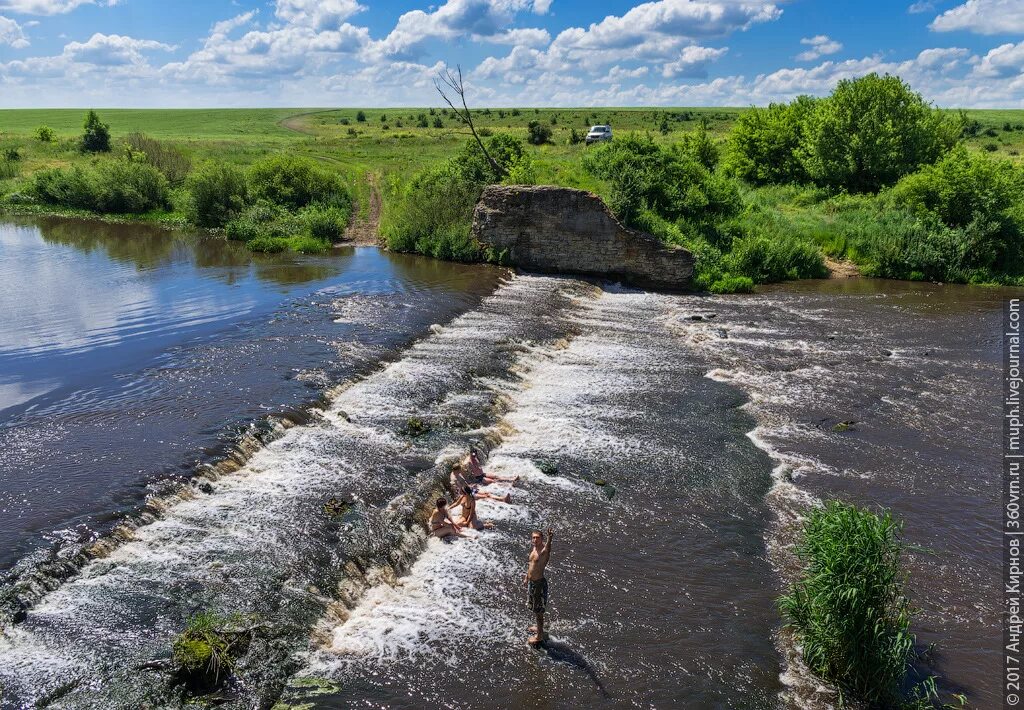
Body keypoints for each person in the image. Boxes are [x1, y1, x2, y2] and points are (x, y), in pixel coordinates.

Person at [525, 527, 553, 645]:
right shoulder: (534, 550)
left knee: (539, 611)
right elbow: (531, 565)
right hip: (532, 583)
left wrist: (550, 538)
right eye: (533, 537)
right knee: (534, 608)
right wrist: (527, 577)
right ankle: (538, 628)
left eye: (537, 538)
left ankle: (540, 636)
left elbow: (548, 549)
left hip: (539, 585)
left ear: (542, 539)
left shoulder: (543, 552)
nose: (535, 540)